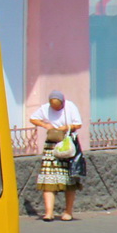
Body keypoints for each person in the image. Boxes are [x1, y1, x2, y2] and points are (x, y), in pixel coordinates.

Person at [30, 90, 83, 221]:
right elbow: (33, 118)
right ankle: (49, 212)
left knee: (69, 180)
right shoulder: (44, 108)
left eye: (58, 107)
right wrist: (45, 125)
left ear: (63, 103)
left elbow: (78, 124)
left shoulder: (70, 107)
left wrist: (66, 127)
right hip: (51, 146)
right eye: (53, 107)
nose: (56, 109)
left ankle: (68, 211)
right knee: (48, 179)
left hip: (67, 145)